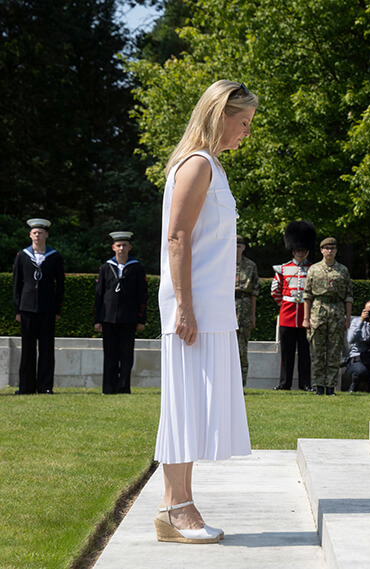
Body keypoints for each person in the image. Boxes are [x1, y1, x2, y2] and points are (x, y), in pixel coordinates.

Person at [154, 80, 256, 544]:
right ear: (220, 116)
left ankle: (175, 505)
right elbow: (177, 238)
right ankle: (177, 510)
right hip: (192, 311)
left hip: (209, 311)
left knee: (192, 408)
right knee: (183, 408)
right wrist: (186, 308)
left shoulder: (210, 166)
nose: (246, 133)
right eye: (244, 122)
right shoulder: (197, 165)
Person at [12, 218, 65, 395]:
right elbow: (16, 285)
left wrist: (57, 309)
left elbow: (61, 285)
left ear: (46, 235)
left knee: (47, 349)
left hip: (47, 309)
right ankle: (25, 387)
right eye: (34, 233)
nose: (37, 235)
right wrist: (17, 309)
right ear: (30, 235)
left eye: (40, 233)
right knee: (27, 349)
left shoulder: (55, 256)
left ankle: (45, 386)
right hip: (27, 309)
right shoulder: (22, 256)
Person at [93, 231, 148, 394]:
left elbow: (142, 295)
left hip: (128, 318)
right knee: (110, 355)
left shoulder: (137, 268)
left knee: (126, 355)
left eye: (124, 245)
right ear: (113, 248)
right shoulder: (105, 267)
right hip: (108, 318)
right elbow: (99, 295)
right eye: (118, 245)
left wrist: (141, 319)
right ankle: (108, 388)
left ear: (130, 247)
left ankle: (123, 387)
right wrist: (97, 319)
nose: (121, 248)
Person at [303, 237, 353, 395]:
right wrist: (306, 318)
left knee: (334, 351)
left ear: (336, 250)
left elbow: (348, 296)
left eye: (332, 248)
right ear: (321, 250)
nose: (329, 251)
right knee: (317, 350)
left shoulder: (343, 270)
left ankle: (331, 386)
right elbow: (307, 295)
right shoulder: (314, 269)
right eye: (326, 248)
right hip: (318, 310)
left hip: (337, 310)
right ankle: (318, 386)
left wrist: (348, 317)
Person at [271, 220, 316, 391]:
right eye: (297, 249)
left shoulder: (313, 269)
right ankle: (284, 383)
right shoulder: (283, 269)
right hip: (287, 315)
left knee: (305, 353)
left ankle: (305, 384)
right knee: (287, 353)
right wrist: (284, 305)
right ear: (292, 249)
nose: (300, 252)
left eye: (303, 249)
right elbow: (275, 291)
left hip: (306, 316)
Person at [234, 235, 258, 387]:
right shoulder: (222, 264)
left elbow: (254, 292)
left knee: (242, 349)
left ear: (243, 247)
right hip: (227, 306)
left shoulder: (251, 266)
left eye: (239, 246)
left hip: (244, 307)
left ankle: (240, 385)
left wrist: (253, 316)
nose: (236, 249)